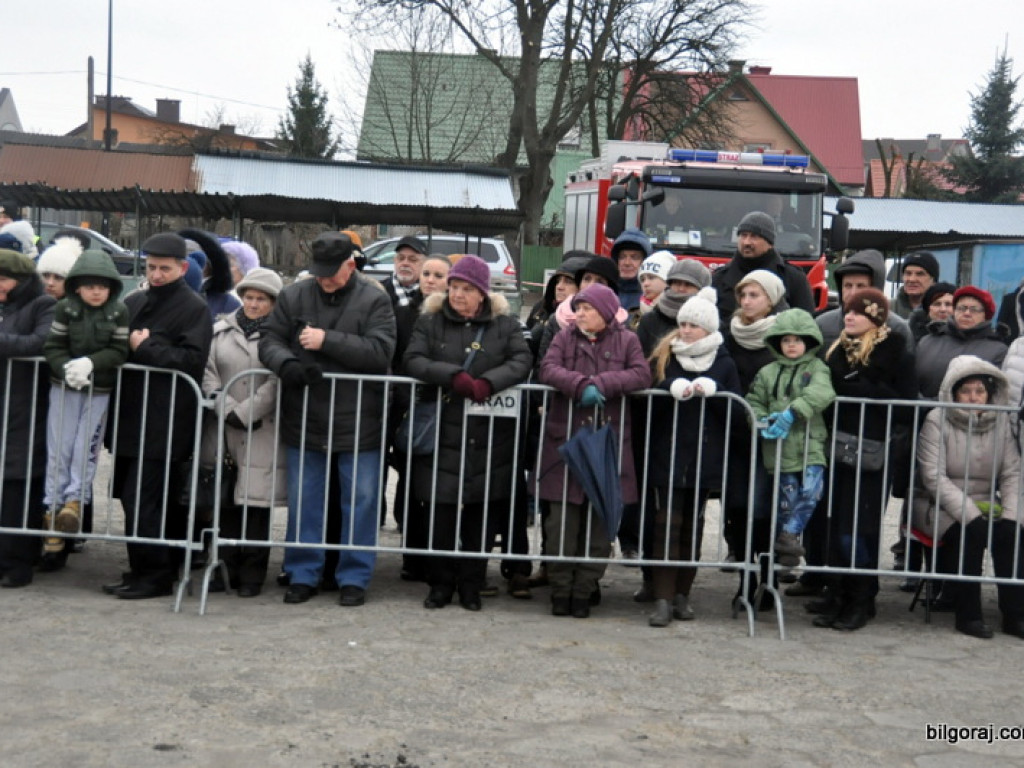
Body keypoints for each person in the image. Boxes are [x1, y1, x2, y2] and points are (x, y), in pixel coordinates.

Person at [259, 232, 396, 607]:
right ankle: (304, 573)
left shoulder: (374, 299)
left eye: (330, 272)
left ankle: (354, 577)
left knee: (362, 502)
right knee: (306, 502)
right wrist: (286, 364)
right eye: (318, 272)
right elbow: (269, 339)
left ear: (350, 265)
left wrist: (326, 341)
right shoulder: (293, 295)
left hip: (360, 421)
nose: (323, 279)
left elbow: (381, 352)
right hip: (305, 417)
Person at [403, 255, 531, 612]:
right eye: (454, 287)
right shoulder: (430, 322)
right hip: (443, 428)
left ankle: (472, 584)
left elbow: (522, 361)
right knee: (441, 512)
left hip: (488, 433)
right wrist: (450, 375)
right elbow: (412, 359)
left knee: (480, 514)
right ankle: (440, 583)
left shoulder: (504, 326)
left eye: (466, 289)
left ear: (482, 293)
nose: (457, 295)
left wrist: (489, 382)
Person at [103, 233, 213, 600]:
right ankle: (141, 568)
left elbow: (191, 362)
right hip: (131, 414)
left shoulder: (194, 308)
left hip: (165, 421)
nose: (156, 274)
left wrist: (146, 347)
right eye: (151, 267)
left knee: (145, 499)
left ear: (182, 268)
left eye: (164, 268)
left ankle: (156, 574)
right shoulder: (134, 300)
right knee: (128, 497)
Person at [537, 283, 651, 618]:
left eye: (586, 308)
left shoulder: (627, 339)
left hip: (607, 444)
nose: (579, 313)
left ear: (603, 311)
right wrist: (579, 385)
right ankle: (560, 590)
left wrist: (601, 385)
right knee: (562, 525)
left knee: (599, 526)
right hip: (567, 443)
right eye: (578, 307)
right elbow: (547, 368)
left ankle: (584, 591)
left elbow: (641, 374)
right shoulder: (563, 336)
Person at [813, 288, 917, 631]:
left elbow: (903, 400)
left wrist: (860, 388)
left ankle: (862, 598)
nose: (849, 316)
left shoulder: (894, 351)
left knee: (858, 529)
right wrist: (858, 386)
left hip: (874, 451)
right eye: (848, 310)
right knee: (835, 524)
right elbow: (832, 391)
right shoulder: (837, 350)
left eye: (859, 312)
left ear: (875, 318)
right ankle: (839, 593)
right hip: (838, 447)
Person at [644, 287, 741, 626]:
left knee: (692, 530)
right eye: (682, 324)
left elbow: (736, 411)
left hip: (704, 458)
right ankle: (662, 598)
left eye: (693, 326)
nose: (684, 330)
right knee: (664, 529)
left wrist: (715, 394)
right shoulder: (665, 356)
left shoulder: (724, 362)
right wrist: (666, 390)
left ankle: (683, 595)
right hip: (666, 455)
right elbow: (644, 400)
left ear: (709, 329)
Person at [914, 356, 1024, 639]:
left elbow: (1012, 472)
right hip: (937, 504)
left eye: (980, 391)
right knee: (969, 534)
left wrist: (1012, 514)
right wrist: (969, 512)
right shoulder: (937, 419)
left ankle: (1014, 615)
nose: (974, 398)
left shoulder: (1000, 421)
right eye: (966, 391)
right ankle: (968, 615)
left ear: (990, 393)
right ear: (953, 391)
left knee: (1012, 534)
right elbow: (933, 477)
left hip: (987, 501)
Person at [201, 268, 286, 598]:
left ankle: (252, 573)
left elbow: (277, 380)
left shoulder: (280, 336)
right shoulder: (219, 331)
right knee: (226, 503)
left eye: (260, 299)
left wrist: (248, 411)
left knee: (256, 505)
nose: (253, 303)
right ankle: (223, 567)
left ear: (273, 303)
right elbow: (208, 373)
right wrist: (226, 407)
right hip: (223, 428)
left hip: (263, 428)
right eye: (248, 297)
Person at [40, 250, 129, 561]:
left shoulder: (119, 312)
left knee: (85, 449)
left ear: (112, 288)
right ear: (77, 286)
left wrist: (90, 363)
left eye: (102, 286)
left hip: (99, 390)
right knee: (58, 449)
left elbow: (118, 350)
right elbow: (53, 346)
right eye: (90, 285)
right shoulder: (65, 309)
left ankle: (74, 502)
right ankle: (51, 511)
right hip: (63, 388)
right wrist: (66, 368)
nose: (96, 291)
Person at [746, 308, 835, 567]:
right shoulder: (767, 372)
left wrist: (792, 412)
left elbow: (821, 392)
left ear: (808, 341)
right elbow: (754, 401)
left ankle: (788, 536)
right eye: (786, 340)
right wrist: (762, 422)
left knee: (811, 493)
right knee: (788, 500)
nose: (792, 345)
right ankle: (787, 545)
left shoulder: (817, 367)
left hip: (811, 446)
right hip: (779, 448)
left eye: (797, 339)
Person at [0, 248, 55, 588]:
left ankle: (17, 561)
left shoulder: (43, 305)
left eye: (3, 280)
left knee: (19, 485)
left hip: (26, 404)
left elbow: (42, 342)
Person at [711, 211, 814, 324]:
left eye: (754, 236)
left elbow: (805, 325)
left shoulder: (793, 278)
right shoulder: (719, 278)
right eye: (743, 235)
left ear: (769, 242)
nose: (747, 242)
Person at [916, 285, 1007, 400]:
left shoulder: (998, 350)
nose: (967, 313)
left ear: (985, 315)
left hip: (967, 416)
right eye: (962, 308)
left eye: (974, 309)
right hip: (919, 413)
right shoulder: (927, 342)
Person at [816, 249, 915, 354]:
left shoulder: (897, 328)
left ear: (875, 289)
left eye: (861, 286)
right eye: (848, 285)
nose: (853, 293)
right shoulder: (823, 325)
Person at [525, 251, 590, 359]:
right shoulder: (541, 308)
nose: (559, 287)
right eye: (558, 281)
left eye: (568, 282)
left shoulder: (591, 318)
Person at [609, 228, 651, 314]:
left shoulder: (652, 297)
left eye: (634, 257)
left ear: (645, 261)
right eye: (622, 257)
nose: (627, 263)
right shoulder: (606, 293)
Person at [892, 252, 939, 319]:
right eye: (908, 273)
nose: (912, 279)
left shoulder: (943, 311)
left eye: (920, 274)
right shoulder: (887, 309)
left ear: (933, 280)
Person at [637, 250, 676, 316]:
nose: (645, 284)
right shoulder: (639, 311)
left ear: (667, 280)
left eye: (651, 277)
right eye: (642, 280)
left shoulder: (678, 312)